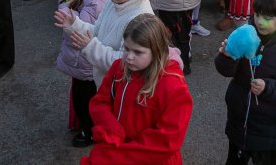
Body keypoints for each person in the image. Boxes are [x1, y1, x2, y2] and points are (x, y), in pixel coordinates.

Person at [80, 14, 193, 165]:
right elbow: (100, 101)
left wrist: (115, 156)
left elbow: (166, 142)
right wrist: (112, 130)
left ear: (157, 51)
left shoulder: (174, 88)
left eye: (138, 52)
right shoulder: (119, 68)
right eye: (126, 48)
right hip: (116, 148)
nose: (129, 57)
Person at [215, 0, 276, 165]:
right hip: (240, 121)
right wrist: (226, 57)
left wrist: (268, 88)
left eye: (268, 18)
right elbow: (225, 70)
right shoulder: (246, 35)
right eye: (257, 15)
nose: (260, 22)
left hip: (270, 130)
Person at [55, 0, 155, 86]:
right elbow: (98, 30)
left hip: (121, 87)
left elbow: (125, 61)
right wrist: (74, 24)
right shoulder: (112, 2)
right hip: (105, 82)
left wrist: (90, 47)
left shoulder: (140, 19)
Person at [55, 0, 113, 148]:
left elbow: (78, 27)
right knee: (83, 96)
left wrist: (63, 3)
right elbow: (78, 11)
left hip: (85, 59)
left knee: (85, 100)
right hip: (85, 59)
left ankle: (89, 131)